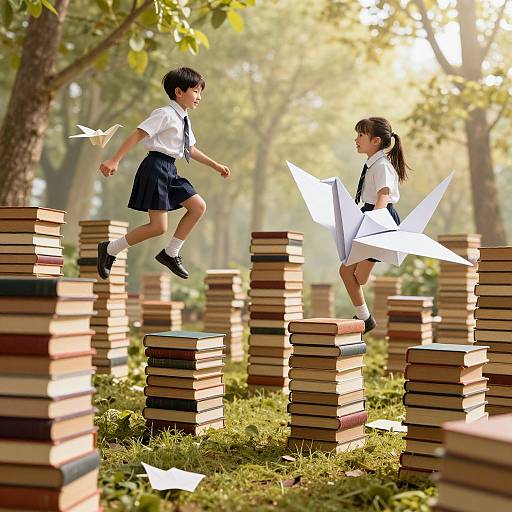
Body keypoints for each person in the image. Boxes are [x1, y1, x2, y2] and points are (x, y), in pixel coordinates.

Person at [96, 67, 230, 280]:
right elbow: (139, 133)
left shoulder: (184, 119)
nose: (199, 97)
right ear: (179, 91)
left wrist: (215, 165)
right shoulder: (164, 114)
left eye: (200, 92)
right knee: (158, 227)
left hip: (171, 170)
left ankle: (171, 252)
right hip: (155, 168)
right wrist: (115, 160)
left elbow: (190, 149)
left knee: (198, 207)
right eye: (195, 91)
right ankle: (110, 249)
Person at [339, 117, 410, 333]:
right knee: (356, 276)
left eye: (361, 135)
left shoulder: (382, 166)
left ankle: (365, 318)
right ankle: (366, 318)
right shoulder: (373, 164)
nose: (356, 139)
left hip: (378, 218)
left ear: (376, 140)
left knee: (347, 272)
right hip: (369, 214)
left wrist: (372, 225)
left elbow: (383, 197)